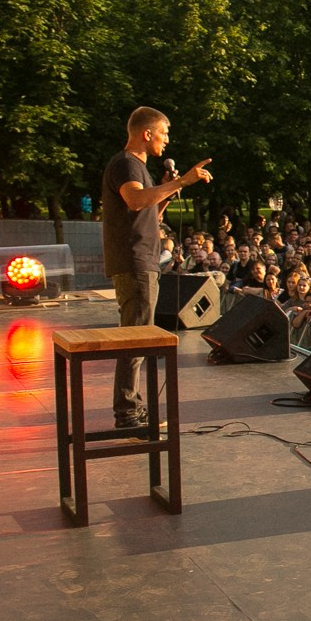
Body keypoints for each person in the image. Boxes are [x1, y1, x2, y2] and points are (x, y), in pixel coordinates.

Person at [101, 106, 211, 430]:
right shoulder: (126, 164)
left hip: (142, 260)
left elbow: (148, 214)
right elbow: (135, 201)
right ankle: (127, 413)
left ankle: (131, 408)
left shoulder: (138, 168)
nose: (167, 139)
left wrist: (169, 189)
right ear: (147, 133)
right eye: (164, 133)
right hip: (135, 261)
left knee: (138, 336)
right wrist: (183, 180)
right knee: (135, 338)